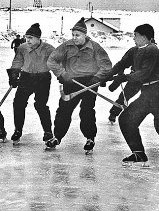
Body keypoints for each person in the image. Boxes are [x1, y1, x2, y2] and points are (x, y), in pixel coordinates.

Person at [102, 24, 159, 175]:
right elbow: (121, 65)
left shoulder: (152, 49)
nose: (133, 38)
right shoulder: (134, 51)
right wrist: (107, 76)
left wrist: (123, 78)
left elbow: (144, 73)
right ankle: (139, 154)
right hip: (147, 93)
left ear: (144, 37)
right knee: (127, 119)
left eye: (135, 35)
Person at [46, 17, 112, 153]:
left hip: (90, 83)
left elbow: (106, 65)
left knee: (87, 111)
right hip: (71, 82)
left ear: (85, 35)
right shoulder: (66, 46)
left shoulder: (95, 47)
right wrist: (62, 74)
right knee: (64, 111)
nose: (75, 38)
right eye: (73, 35)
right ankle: (57, 137)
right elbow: (52, 61)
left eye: (78, 35)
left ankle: (90, 138)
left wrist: (97, 78)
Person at [7, 23, 55, 145]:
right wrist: (13, 75)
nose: (27, 40)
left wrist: (63, 76)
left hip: (42, 79)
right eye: (26, 37)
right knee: (18, 103)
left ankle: (48, 132)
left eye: (30, 38)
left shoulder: (49, 49)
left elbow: (57, 63)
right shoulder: (22, 48)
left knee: (41, 105)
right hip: (26, 77)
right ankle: (18, 130)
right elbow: (17, 62)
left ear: (38, 38)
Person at [108, 48, 159, 124]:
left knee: (153, 99)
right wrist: (118, 77)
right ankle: (113, 114)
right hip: (135, 78)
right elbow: (123, 63)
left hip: (150, 80)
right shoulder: (134, 51)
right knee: (124, 96)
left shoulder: (154, 52)